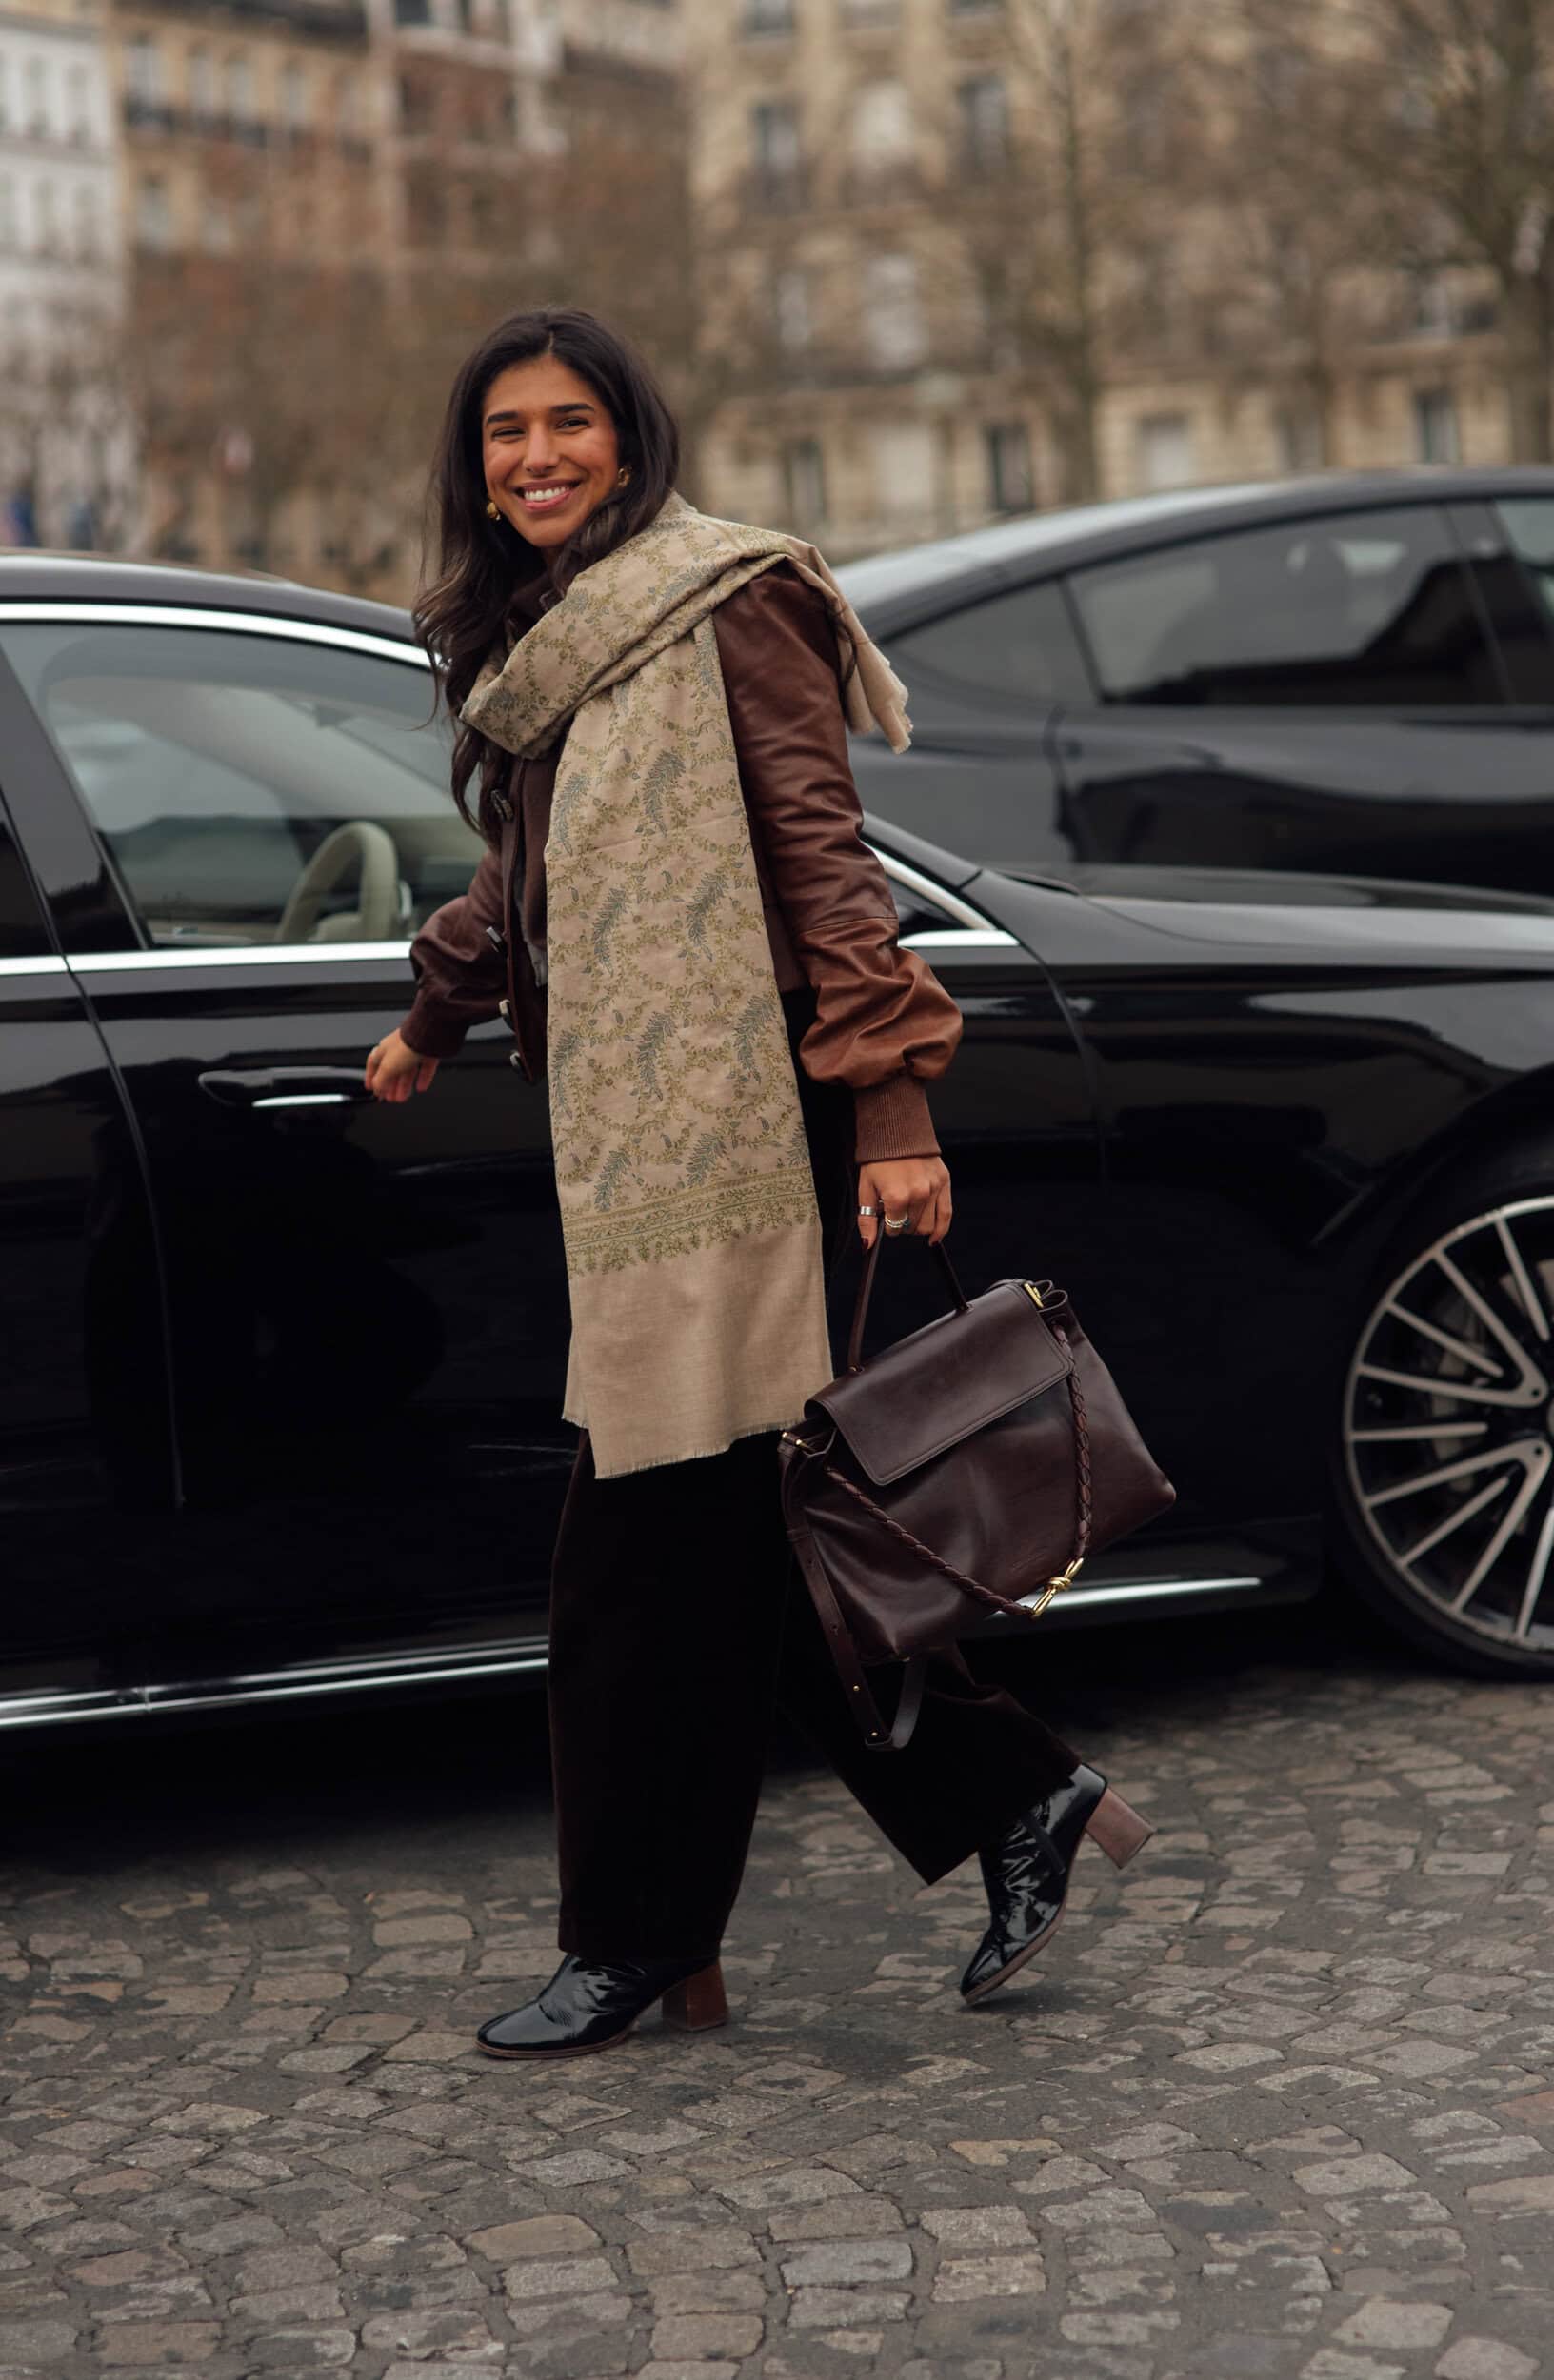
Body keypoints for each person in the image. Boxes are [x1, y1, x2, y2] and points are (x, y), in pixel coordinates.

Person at [366, 307, 1152, 2060]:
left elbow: (820, 850)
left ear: (631, 437)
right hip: (642, 1138)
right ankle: (1011, 1796)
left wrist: (893, 1105)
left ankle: (638, 1941)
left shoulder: (731, 595)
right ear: (474, 467)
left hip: (747, 1130)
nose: (537, 456)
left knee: (631, 1559)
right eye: (505, 432)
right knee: (734, 1535)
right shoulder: (550, 634)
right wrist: (433, 1014)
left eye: (570, 423)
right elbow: (525, 870)